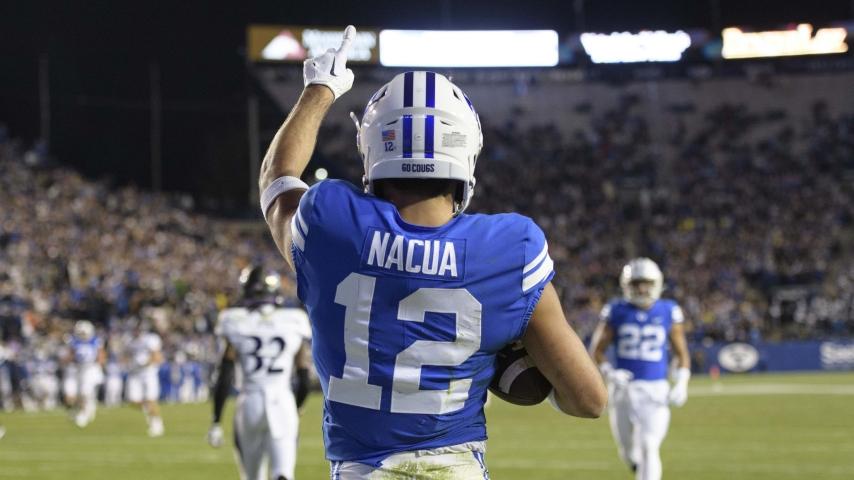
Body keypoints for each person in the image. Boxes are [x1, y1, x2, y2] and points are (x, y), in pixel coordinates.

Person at [258, 25, 607, 479]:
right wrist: (513, 364)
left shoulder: (331, 222)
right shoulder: (510, 249)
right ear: (467, 153)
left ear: (373, 150)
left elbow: (278, 179)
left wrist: (320, 88)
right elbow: (588, 400)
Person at [589, 258, 691, 480]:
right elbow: (596, 351)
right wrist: (610, 373)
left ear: (657, 283)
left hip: (655, 389)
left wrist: (682, 382)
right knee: (628, 452)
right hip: (623, 390)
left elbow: (682, 353)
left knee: (648, 445)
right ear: (626, 285)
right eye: (636, 283)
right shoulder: (615, 309)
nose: (642, 288)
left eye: (646, 283)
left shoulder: (668, 309)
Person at [207, 266, 312, 480]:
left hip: (250, 402)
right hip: (282, 401)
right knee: (283, 474)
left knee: (252, 477)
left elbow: (224, 376)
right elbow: (304, 378)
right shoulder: (294, 320)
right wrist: (297, 406)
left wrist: (216, 420)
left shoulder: (234, 320)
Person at [125, 320, 165, 436]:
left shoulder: (151, 339)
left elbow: (158, 357)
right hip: (134, 373)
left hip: (149, 373)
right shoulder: (129, 340)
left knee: (151, 399)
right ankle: (150, 411)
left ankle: (157, 423)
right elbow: (126, 355)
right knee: (132, 401)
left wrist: (146, 363)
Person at [62, 320, 105, 427]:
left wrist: (99, 366)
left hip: (90, 368)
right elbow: (70, 355)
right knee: (74, 394)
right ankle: (82, 409)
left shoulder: (96, 340)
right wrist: (67, 361)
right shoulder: (73, 341)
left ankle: (84, 413)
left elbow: (101, 355)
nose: (82, 335)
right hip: (77, 368)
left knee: (85, 392)